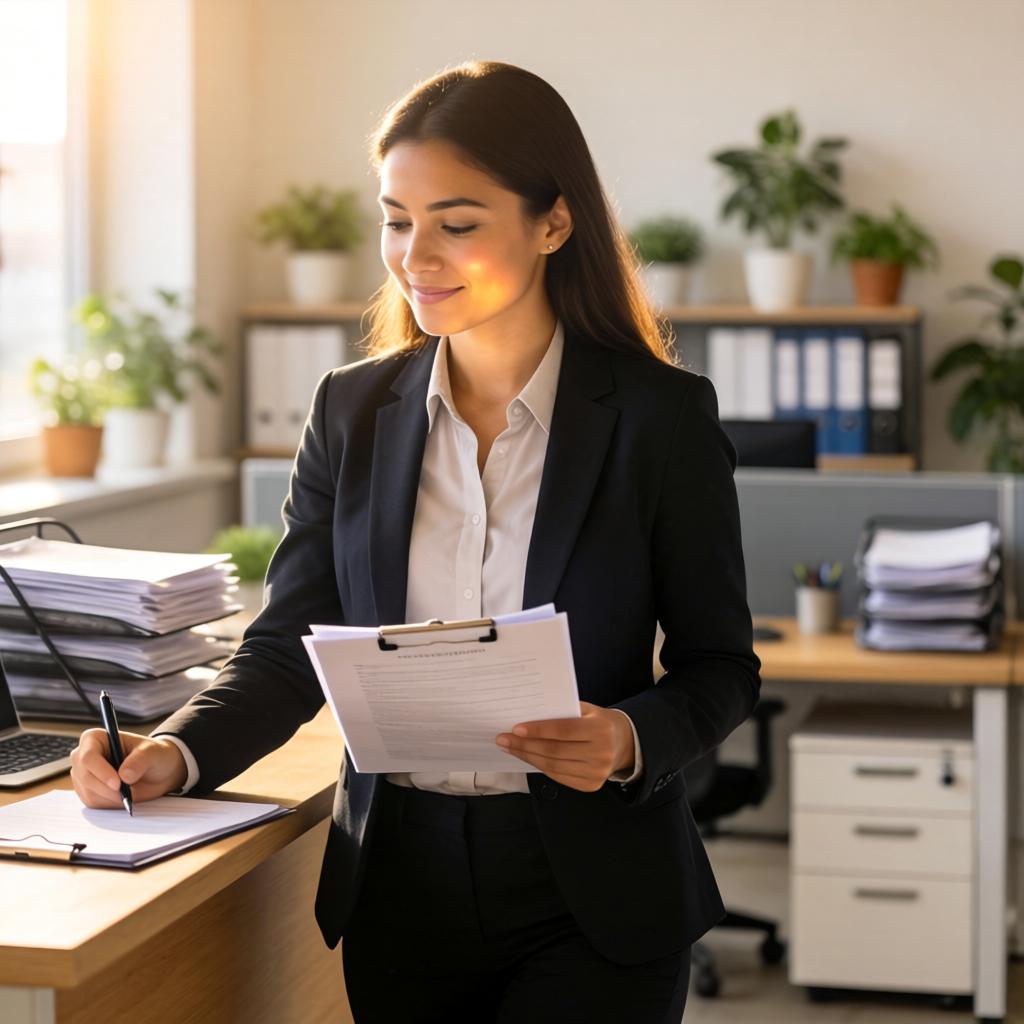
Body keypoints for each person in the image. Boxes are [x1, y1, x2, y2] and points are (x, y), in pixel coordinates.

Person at [70, 61, 761, 1023]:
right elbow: (285, 649)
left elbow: (721, 664)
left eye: (458, 223)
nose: (415, 254)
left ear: (553, 223)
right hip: (402, 886)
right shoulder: (352, 412)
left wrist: (629, 736)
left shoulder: (659, 419)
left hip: (593, 892)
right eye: (398, 219)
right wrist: (174, 755)